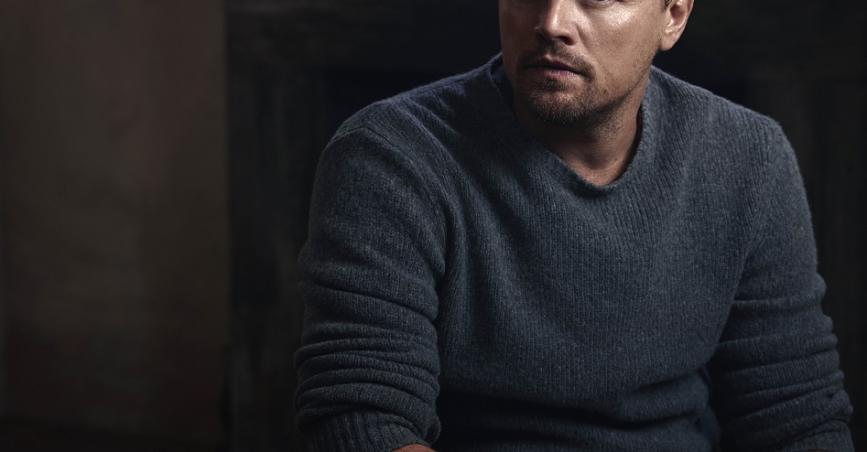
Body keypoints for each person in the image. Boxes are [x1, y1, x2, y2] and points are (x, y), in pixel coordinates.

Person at [293, 0, 855, 450]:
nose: (552, 22)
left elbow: (795, 417)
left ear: (673, 15)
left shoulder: (747, 158)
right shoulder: (391, 155)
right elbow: (362, 420)